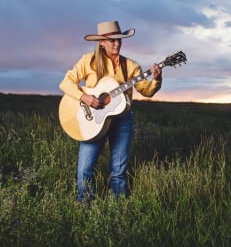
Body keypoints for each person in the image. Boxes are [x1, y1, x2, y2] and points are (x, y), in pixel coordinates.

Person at [59, 20, 162, 202]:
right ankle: (85, 208)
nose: (117, 44)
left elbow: (146, 91)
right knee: (85, 169)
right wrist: (86, 98)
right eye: (112, 40)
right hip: (93, 121)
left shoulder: (130, 65)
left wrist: (156, 79)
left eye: (119, 40)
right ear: (101, 42)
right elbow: (65, 83)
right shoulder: (88, 61)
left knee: (119, 171)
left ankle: (117, 211)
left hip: (122, 121)